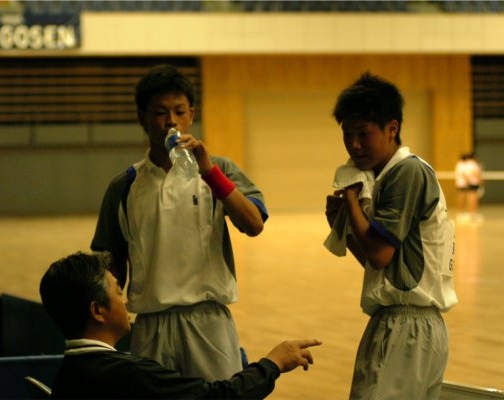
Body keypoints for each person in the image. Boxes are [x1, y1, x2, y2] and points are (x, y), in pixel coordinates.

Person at [91, 64, 268, 381]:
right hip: (150, 324)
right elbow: (110, 265)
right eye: (160, 112)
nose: (171, 121)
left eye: (179, 111)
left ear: (191, 115)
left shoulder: (219, 169)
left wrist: (209, 172)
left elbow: (254, 224)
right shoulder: (125, 185)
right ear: (143, 117)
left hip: (209, 321)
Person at [325, 72, 458, 400]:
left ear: (392, 128)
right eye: (347, 134)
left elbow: (379, 255)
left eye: (364, 133)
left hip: (404, 328)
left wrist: (351, 197)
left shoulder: (406, 171)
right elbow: (382, 266)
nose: (354, 145)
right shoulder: (389, 175)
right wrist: (344, 226)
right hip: (415, 328)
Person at [40, 252, 322, 399]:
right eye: (118, 292)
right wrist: (274, 363)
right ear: (97, 311)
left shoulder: (69, 374)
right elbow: (218, 398)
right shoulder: (129, 375)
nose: (125, 301)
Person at [454, 152, 484, 221]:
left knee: (465, 198)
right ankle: (472, 214)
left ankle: (463, 213)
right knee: (472, 199)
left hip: (463, 183)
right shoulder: (472, 164)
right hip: (472, 183)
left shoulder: (461, 164)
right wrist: (478, 180)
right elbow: (475, 173)